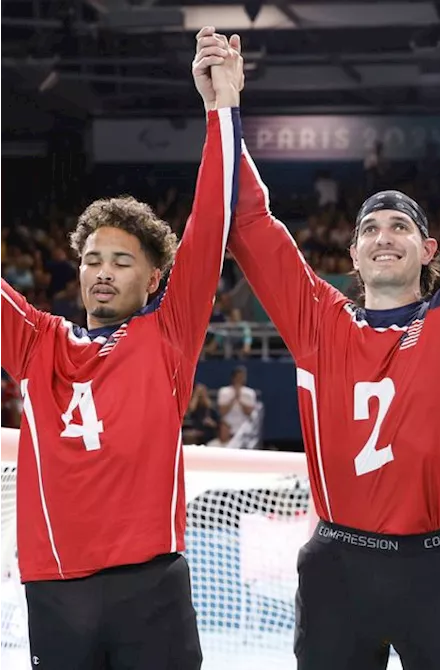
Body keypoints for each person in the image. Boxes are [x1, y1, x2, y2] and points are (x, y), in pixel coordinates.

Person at [192, 25, 440, 670]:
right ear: (353, 254)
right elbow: (249, 222)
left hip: (438, 563)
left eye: (400, 227)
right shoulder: (318, 321)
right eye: (370, 229)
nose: (384, 237)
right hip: (339, 563)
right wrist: (225, 108)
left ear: (428, 249)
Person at [0, 25, 241, 668]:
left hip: (151, 587)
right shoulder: (36, 342)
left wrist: (221, 108)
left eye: (122, 262)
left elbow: (212, 221)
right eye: (93, 259)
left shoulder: (167, 334)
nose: (103, 271)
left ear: (153, 278)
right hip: (55, 588)